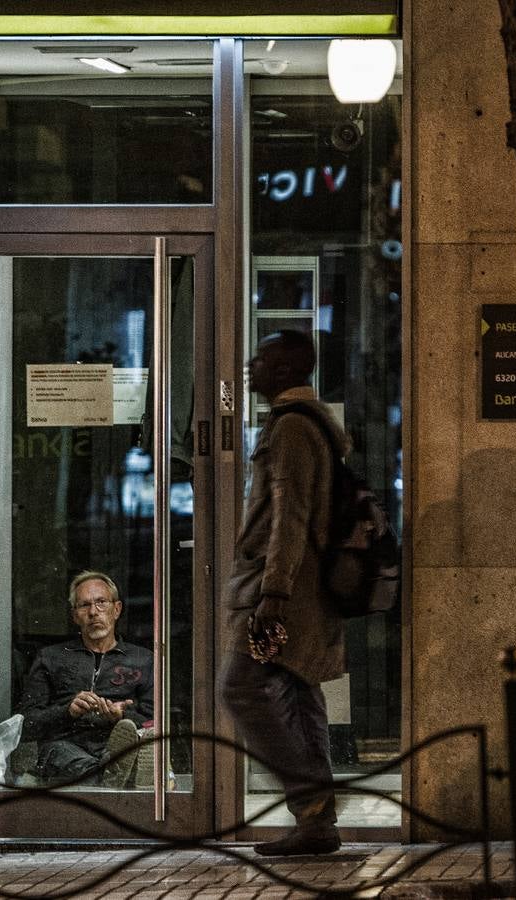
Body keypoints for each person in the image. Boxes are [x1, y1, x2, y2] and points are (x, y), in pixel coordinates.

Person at [219, 329, 347, 856]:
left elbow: (289, 518)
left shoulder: (293, 428)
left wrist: (272, 593)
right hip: (306, 588)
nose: (251, 367)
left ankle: (310, 806)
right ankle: (316, 822)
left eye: (263, 360)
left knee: (242, 689)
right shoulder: (315, 422)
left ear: (288, 370)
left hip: (285, 591)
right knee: (299, 693)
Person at [17, 571, 153, 787]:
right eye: (84, 605)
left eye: (101, 603)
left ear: (116, 609)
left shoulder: (143, 660)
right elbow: (26, 726)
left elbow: (156, 722)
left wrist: (122, 715)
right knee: (60, 752)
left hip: (120, 747)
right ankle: (108, 776)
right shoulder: (51, 657)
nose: (93, 612)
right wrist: (67, 711)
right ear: (74, 616)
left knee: (137, 744)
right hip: (66, 749)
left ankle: (109, 772)